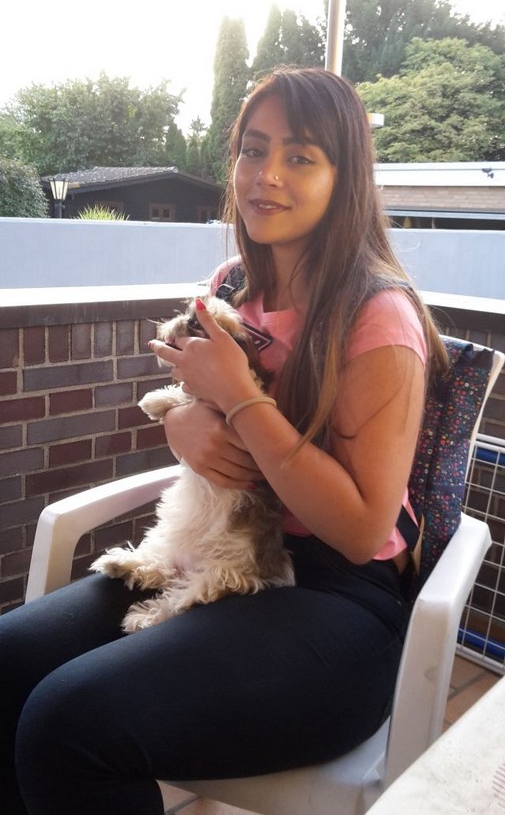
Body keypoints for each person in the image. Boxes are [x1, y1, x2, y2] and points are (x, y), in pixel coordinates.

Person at [0, 67, 448, 815]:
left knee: (69, 725)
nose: (265, 174)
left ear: (345, 177)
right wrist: (182, 422)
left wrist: (240, 397)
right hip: (218, 551)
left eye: (300, 156)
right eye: (252, 149)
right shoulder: (233, 284)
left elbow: (359, 529)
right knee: (9, 665)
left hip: (335, 601)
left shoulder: (377, 316)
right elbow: (200, 419)